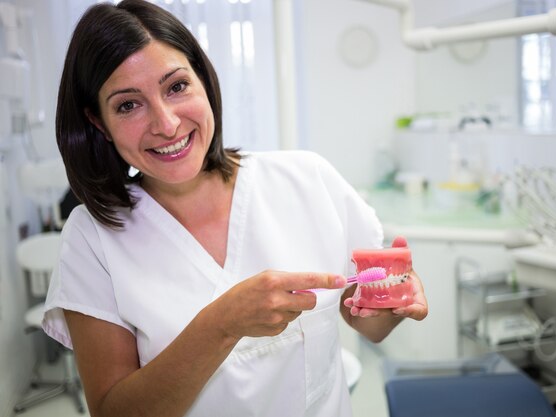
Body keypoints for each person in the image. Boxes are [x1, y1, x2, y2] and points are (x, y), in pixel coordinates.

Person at [42, 1, 428, 416]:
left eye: (176, 87)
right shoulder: (92, 238)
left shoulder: (308, 179)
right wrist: (221, 326)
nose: (167, 123)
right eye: (128, 105)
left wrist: (395, 306)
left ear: (204, 81)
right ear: (98, 122)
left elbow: (366, 320)